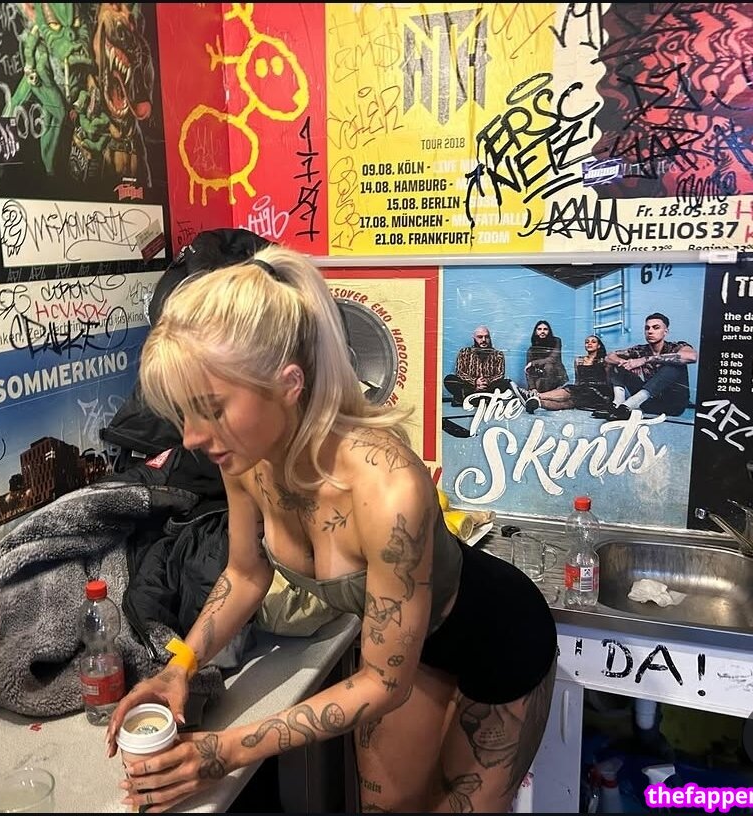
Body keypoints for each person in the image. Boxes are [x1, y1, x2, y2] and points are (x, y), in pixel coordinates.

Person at [106, 246, 558, 813]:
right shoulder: (245, 459)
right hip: (411, 650)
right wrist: (180, 665)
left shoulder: (389, 488)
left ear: (288, 384)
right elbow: (245, 575)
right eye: (184, 413)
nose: (192, 438)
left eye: (212, 409)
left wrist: (225, 751)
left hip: (500, 639)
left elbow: (382, 683)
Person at [593, 312, 698, 420]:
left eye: (656, 328)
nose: (650, 331)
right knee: (616, 364)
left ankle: (628, 406)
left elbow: (692, 357)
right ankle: (618, 405)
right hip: (648, 402)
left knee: (675, 363)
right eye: (647, 328)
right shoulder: (640, 350)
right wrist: (625, 362)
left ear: (665, 331)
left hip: (674, 405)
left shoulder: (677, 346)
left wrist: (644, 360)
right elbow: (609, 357)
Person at [517, 335, 614, 414]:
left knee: (571, 392)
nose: (589, 343)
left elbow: (608, 379)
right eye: (587, 342)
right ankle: (537, 403)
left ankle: (534, 395)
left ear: (599, 346)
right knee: (569, 403)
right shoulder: (579, 360)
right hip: (582, 391)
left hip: (597, 392)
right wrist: (576, 389)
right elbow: (578, 380)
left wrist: (609, 398)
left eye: (593, 342)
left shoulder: (604, 361)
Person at [443, 326, 511, 407]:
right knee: (449, 379)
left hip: (488, 386)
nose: (484, 340)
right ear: (474, 338)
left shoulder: (498, 354)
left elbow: (500, 374)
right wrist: (475, 382)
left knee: (506, 383)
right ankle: (480, 399)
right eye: (480, 337)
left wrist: (487, 381)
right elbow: (460, 372)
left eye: (486, 337)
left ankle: (468, 399)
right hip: (470, 387)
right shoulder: (464, 352)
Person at [523, 320, 568, 393]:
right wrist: (533, 388)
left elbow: (553, 359)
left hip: (557, 378)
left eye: (545, 329)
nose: (542, 331)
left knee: (549, 366)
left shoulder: (556, 341)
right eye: (539, 329)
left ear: (549, 331)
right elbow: (529, 371)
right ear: (535, 332)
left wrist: (533, 363)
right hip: (541, 381)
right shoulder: (531, 350)